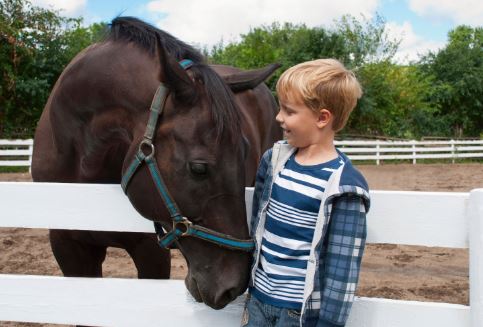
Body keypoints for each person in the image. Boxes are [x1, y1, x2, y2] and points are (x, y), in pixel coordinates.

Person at [242, 59, 370, 327]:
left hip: (297, 314)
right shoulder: (273, 161)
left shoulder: (344, 186)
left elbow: (342, 269)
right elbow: (258, 226)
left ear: (322, 118)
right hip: (258, 300)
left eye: (289, 111)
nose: (279, 118)